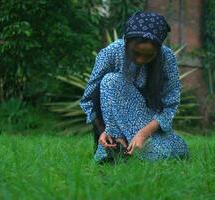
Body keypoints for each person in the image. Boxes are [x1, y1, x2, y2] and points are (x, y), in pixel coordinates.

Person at [79, 11, 189, 163]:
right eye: (136, 53)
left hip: (148, 125)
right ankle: (116, 146)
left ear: (158, 50)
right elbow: (89, 99)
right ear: (126, 41)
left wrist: (142, 135)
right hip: (111, 126)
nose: (140, 60)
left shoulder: (167, 58)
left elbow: (170, 106)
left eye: (149, 56)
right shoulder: (110, 53)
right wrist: (103, 132)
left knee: (171, 152)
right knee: (110, 81)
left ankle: (138, 150)